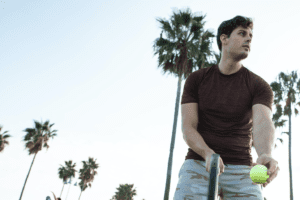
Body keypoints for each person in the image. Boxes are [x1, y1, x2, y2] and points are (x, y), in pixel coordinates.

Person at [174, 15, 279, 200]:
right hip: (199, 162)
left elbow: (263, 122)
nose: (248, 39)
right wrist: (208, 154)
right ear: (224, 38)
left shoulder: (259, 86)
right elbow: (188, 128)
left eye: (250, 36)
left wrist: (264, 154)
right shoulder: (197, 80)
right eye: (242, 33)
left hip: (242, 169)